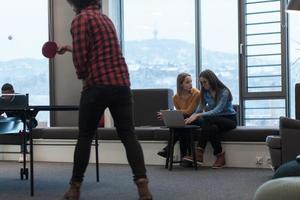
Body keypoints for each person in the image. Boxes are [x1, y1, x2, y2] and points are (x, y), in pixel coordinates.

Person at [57, 0, 152, 199]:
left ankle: (74, 188)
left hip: (98, 86)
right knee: (128, 135)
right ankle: (143, 187)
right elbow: (100, 51)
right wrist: (70, 47)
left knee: (85, 136)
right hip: (121, 83)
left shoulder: (80, 19)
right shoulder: (105, 19)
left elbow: (82, 59)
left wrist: (84, 78)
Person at [183, 69, 237, 169]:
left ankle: (199, 152)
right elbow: (200, 108)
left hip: (229, 120)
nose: (203, 85)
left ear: (211, 80)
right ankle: (220, 156)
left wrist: (198, 116)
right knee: (212, 128)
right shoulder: (205, 92)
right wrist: (191, 117)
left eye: (205, 82)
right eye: (201, 83)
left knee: (207, 118)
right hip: (213, 120)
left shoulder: (224, 91)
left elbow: (217, 110)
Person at [157, 73, 200, 164]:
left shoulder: (197, 94)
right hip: (185, 121)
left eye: (191, 82)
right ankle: (184, 158)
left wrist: (170, 112)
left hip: (197, 118)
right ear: (181, 84)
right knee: (180, 127)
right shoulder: (175, 98)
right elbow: (181, 113)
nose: (191, 84)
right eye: (187, 82)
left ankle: (168, 149)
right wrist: (169, 114)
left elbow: (189, 111)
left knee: (179, 126)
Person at [0, 83, 29, 162]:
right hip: (11, 121)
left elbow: (25, 113)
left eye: (7, 94)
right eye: (3, 94)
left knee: (23, 126)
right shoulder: (1, 100)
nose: (5, 97)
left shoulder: (22, 98)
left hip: (24, 120)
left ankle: (23, 153)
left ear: (13, 92)